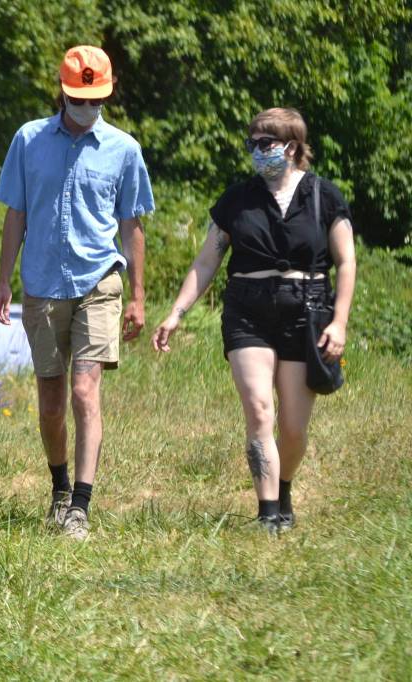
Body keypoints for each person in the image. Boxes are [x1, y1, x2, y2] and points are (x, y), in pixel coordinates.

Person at [151, 107, 356, 532]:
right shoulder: (237, 199)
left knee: (294, 428)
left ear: (293, 146)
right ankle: (267, 515)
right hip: (248, 309)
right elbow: (207, 260)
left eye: (267, 143)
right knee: (260, 411)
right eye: (253, 143)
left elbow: (346, 261)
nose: (257, 151)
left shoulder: (325, 196)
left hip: (308, 310)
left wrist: (340, 322)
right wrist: (176, 313)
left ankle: (283, 489)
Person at [0, 45, 154, 540]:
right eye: (81, 99)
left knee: (85, 390)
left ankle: (80, 506)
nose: (89, 109)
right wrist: (3, 280)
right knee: (51, 403)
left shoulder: (124, 150)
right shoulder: (28, 139)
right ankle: (59, 488)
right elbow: (15, 213)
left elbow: (132, 226)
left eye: (98, 100)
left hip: (98, 281)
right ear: (62, 92)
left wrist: (138, 295)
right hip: (41, 285)